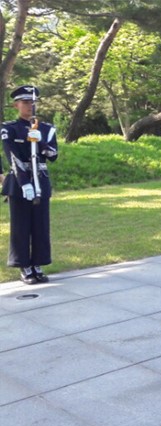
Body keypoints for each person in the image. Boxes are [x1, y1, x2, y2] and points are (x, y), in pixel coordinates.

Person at [1, 85, 58, 284]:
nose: (30, 106)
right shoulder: (9, 128)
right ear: (16, 105)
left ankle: (38, 264)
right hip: (19, 183)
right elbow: (12, 157)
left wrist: (40, 142)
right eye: (25, 102)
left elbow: (53, 155)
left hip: (41, 181)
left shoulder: (47, 129)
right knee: (21, 226)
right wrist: (24, 183)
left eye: (32, 102)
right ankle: (24, 265)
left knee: (41, 226)